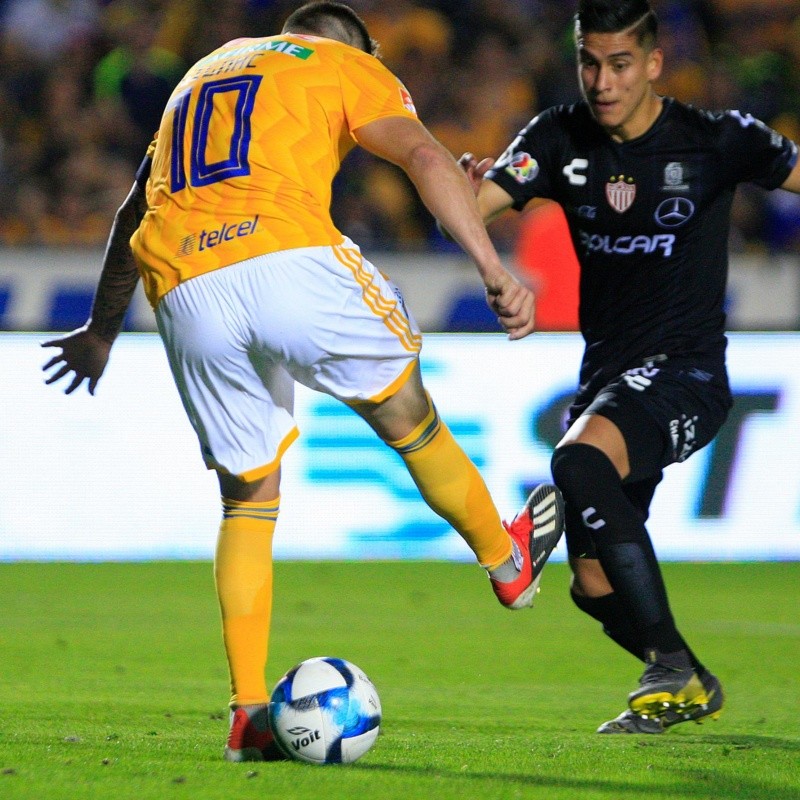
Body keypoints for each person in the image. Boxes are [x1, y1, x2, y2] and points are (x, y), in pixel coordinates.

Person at [41, 2, 565, 761]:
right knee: (406, 413)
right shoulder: (345, 64)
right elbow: (423, 158)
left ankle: (249, 713)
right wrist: (493, 266)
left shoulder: (200, 72)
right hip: (285, 252)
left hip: (183, 283)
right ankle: (506, 562)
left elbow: (132, 211)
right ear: (352, 46)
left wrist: (100, 330)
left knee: (248, 497)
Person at [456, 0, 800, 734]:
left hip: (688, 375)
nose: (602, 82)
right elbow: (475, 205)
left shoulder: (715, 140)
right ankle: (688, 678)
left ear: (652, 64)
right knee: (591, 584)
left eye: (618, 65)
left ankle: (669, 664)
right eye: (590, 63)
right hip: (606, 380)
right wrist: (461, 198)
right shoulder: (556, 138)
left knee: (577, 462)